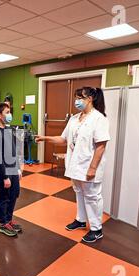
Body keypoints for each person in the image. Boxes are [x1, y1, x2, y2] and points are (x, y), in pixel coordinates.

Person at [35, 87, 110, 243]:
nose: (76, 101)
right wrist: (45, 138)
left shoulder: (99, 118)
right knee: (79, 192)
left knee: (92, 196)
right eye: (76, 98)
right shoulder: (74, 119)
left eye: (79, 98)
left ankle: (96, 229)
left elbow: (101, 145)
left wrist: (93, 168)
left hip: (89, 165)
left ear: (90, 98)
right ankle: (81, 220)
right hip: (75, 165)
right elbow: (63, 139)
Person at [0, 102, 23, 237]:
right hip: (3, 169)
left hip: (13, 167)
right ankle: (2, 223)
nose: (10, 115)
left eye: (10, 112)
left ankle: (9, 220)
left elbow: (13, 151)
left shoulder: (8, 129)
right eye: (7, 113)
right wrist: (5, 177)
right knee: (4, 196)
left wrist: (18, 169)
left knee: (14, 193)